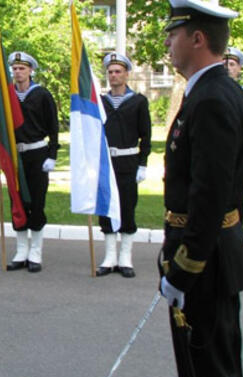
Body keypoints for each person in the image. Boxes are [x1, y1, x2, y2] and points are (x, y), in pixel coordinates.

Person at [160, 1, 243, 377]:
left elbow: (209, 196)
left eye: (173, 33)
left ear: (197, 39)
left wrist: (184, 269)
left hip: (205, 264)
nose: (167, 41)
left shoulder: (212, 98)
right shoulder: (210, 91)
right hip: (210, 258)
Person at [0, 51, 59, 273]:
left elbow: (53, 128)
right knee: (17, 201)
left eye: (22, 68)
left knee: (37, 202)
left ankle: (35, 252)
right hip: (15, 157)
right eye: (15, 68)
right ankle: (21, 250)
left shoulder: (41, 95)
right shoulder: (7, 96)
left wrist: (52, 155)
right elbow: (2, 120)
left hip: (37, 155)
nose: (18, 72)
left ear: (31, 70)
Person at [96, 53, 151, 278]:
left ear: (127, 74)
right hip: (107, 162)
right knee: (106, 208)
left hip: (128, 161)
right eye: (110, 72)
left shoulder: (138, 101)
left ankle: (125, 257)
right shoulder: (101, 102)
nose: (113, 75)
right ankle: (109, 257)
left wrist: (143, 164)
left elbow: (146, 136)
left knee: (127, 207)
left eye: (118, 71)